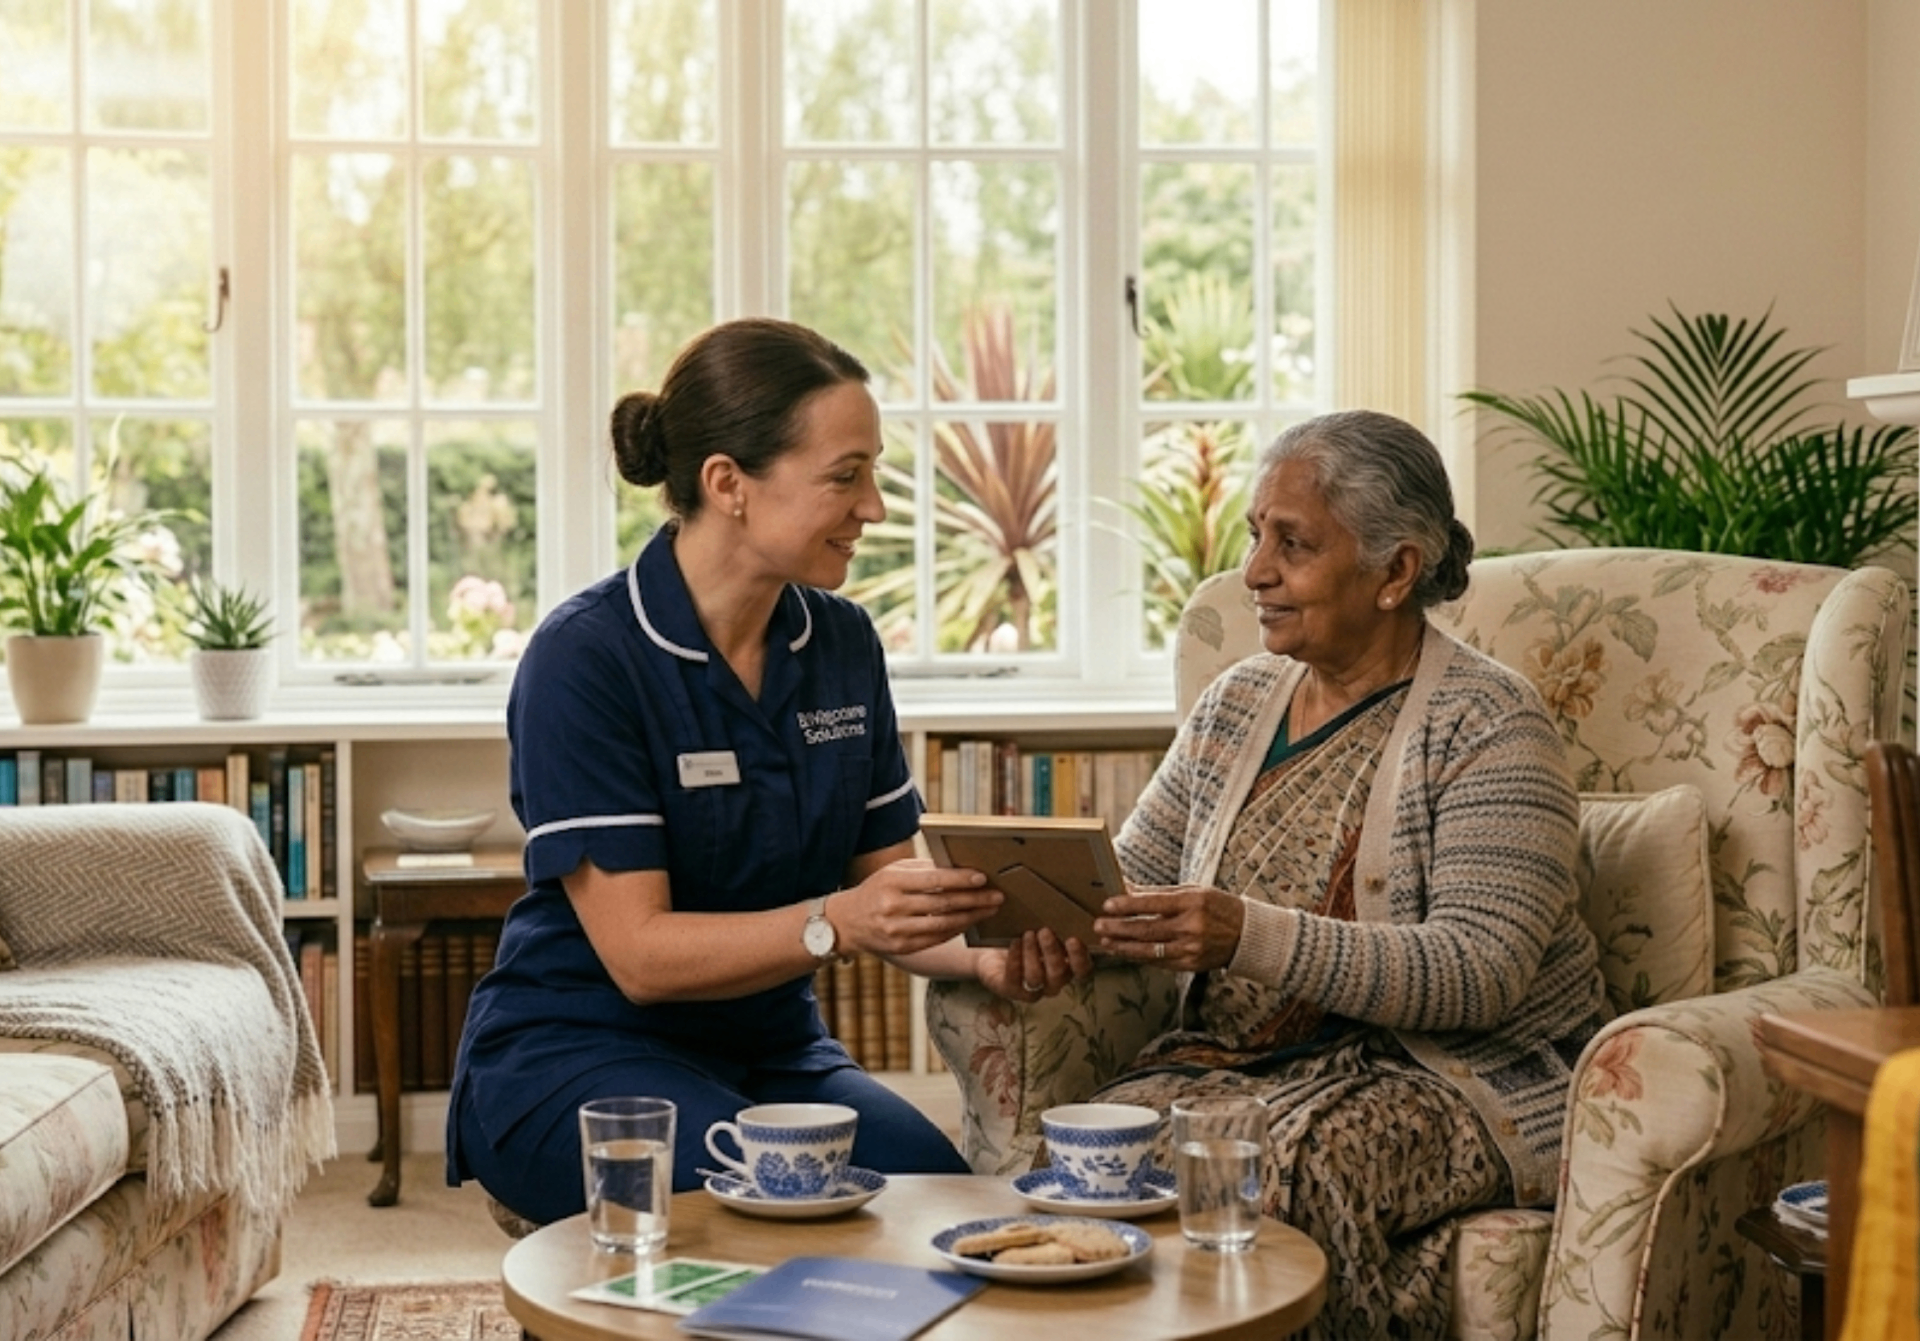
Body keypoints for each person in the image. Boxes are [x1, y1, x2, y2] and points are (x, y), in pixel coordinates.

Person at [446, 317, 1088, 1226]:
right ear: (727, 484)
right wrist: (838, 922)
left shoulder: (841, 642)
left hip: (777, 1056)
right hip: (582, 1051)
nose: (874, 507)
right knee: (780, 1203)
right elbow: (639, 957)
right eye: (845, 475)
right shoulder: (584, 657)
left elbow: (888, 888)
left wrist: (986, 954)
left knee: (945, 1210)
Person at [1088, 409, 1607, 1337]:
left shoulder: (1491, 724)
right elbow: (1137, 877)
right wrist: (1048, 912)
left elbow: (1480, 972)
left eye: (1294, 544)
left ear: (1396, 571)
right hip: (1242, 1065)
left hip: (1454, 1076)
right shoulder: (1237, 701)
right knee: (1102, 1148)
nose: (1254, 572)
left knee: (1287, 1167)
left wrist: (1248, 933)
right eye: (1257, 536)